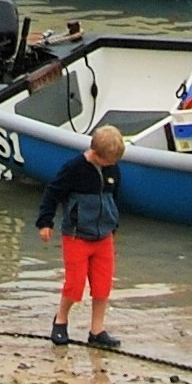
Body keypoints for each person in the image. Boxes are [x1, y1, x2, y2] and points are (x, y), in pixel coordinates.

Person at [32, 123, 126, 347]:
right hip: (77, 236)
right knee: (74, 285)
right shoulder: (74, 168)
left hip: (104, 236)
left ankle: (97, 330)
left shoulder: (113, 168)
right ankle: (61, 320)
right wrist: (45, 222)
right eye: (109, 161)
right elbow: (52, 193)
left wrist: (113, 222)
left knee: (103, 285)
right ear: (95, 153)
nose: (112, 165)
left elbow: (114, 196)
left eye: (115, 162)